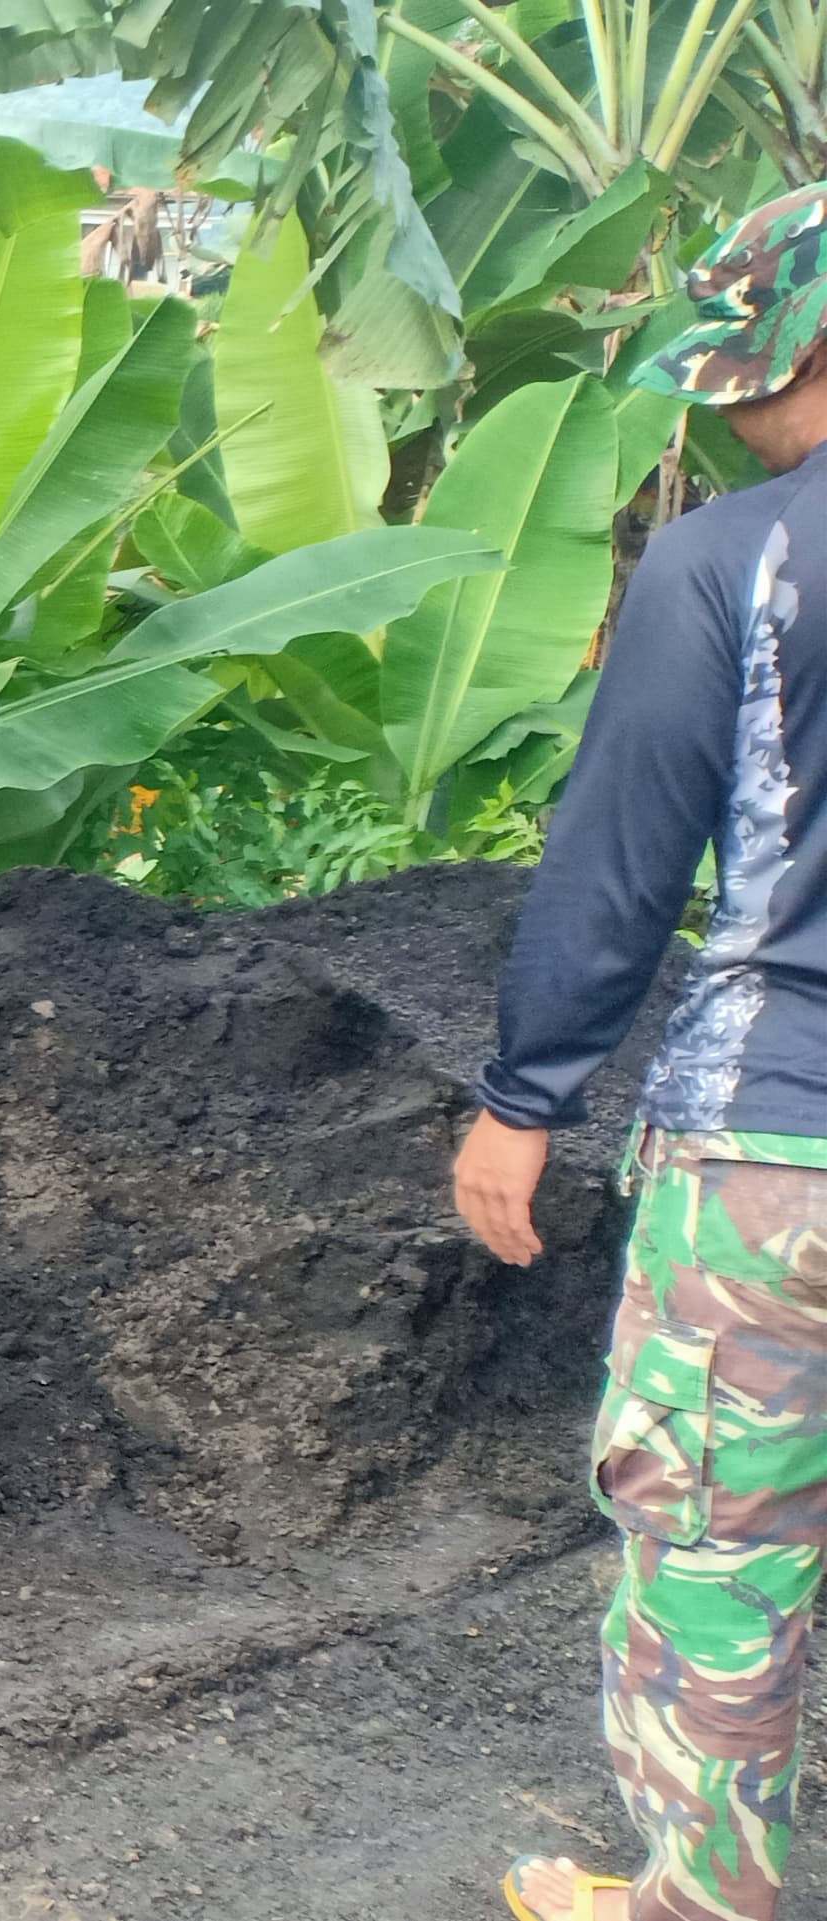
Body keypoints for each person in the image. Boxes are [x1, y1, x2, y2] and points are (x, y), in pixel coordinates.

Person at [463, 183, 827, 1921]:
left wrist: (528, 1094)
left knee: (718, 1543)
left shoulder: (735, 555)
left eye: (748, 367)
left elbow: (623, 856)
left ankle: (707, 1904)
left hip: (777, 1151)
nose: (731, 407)